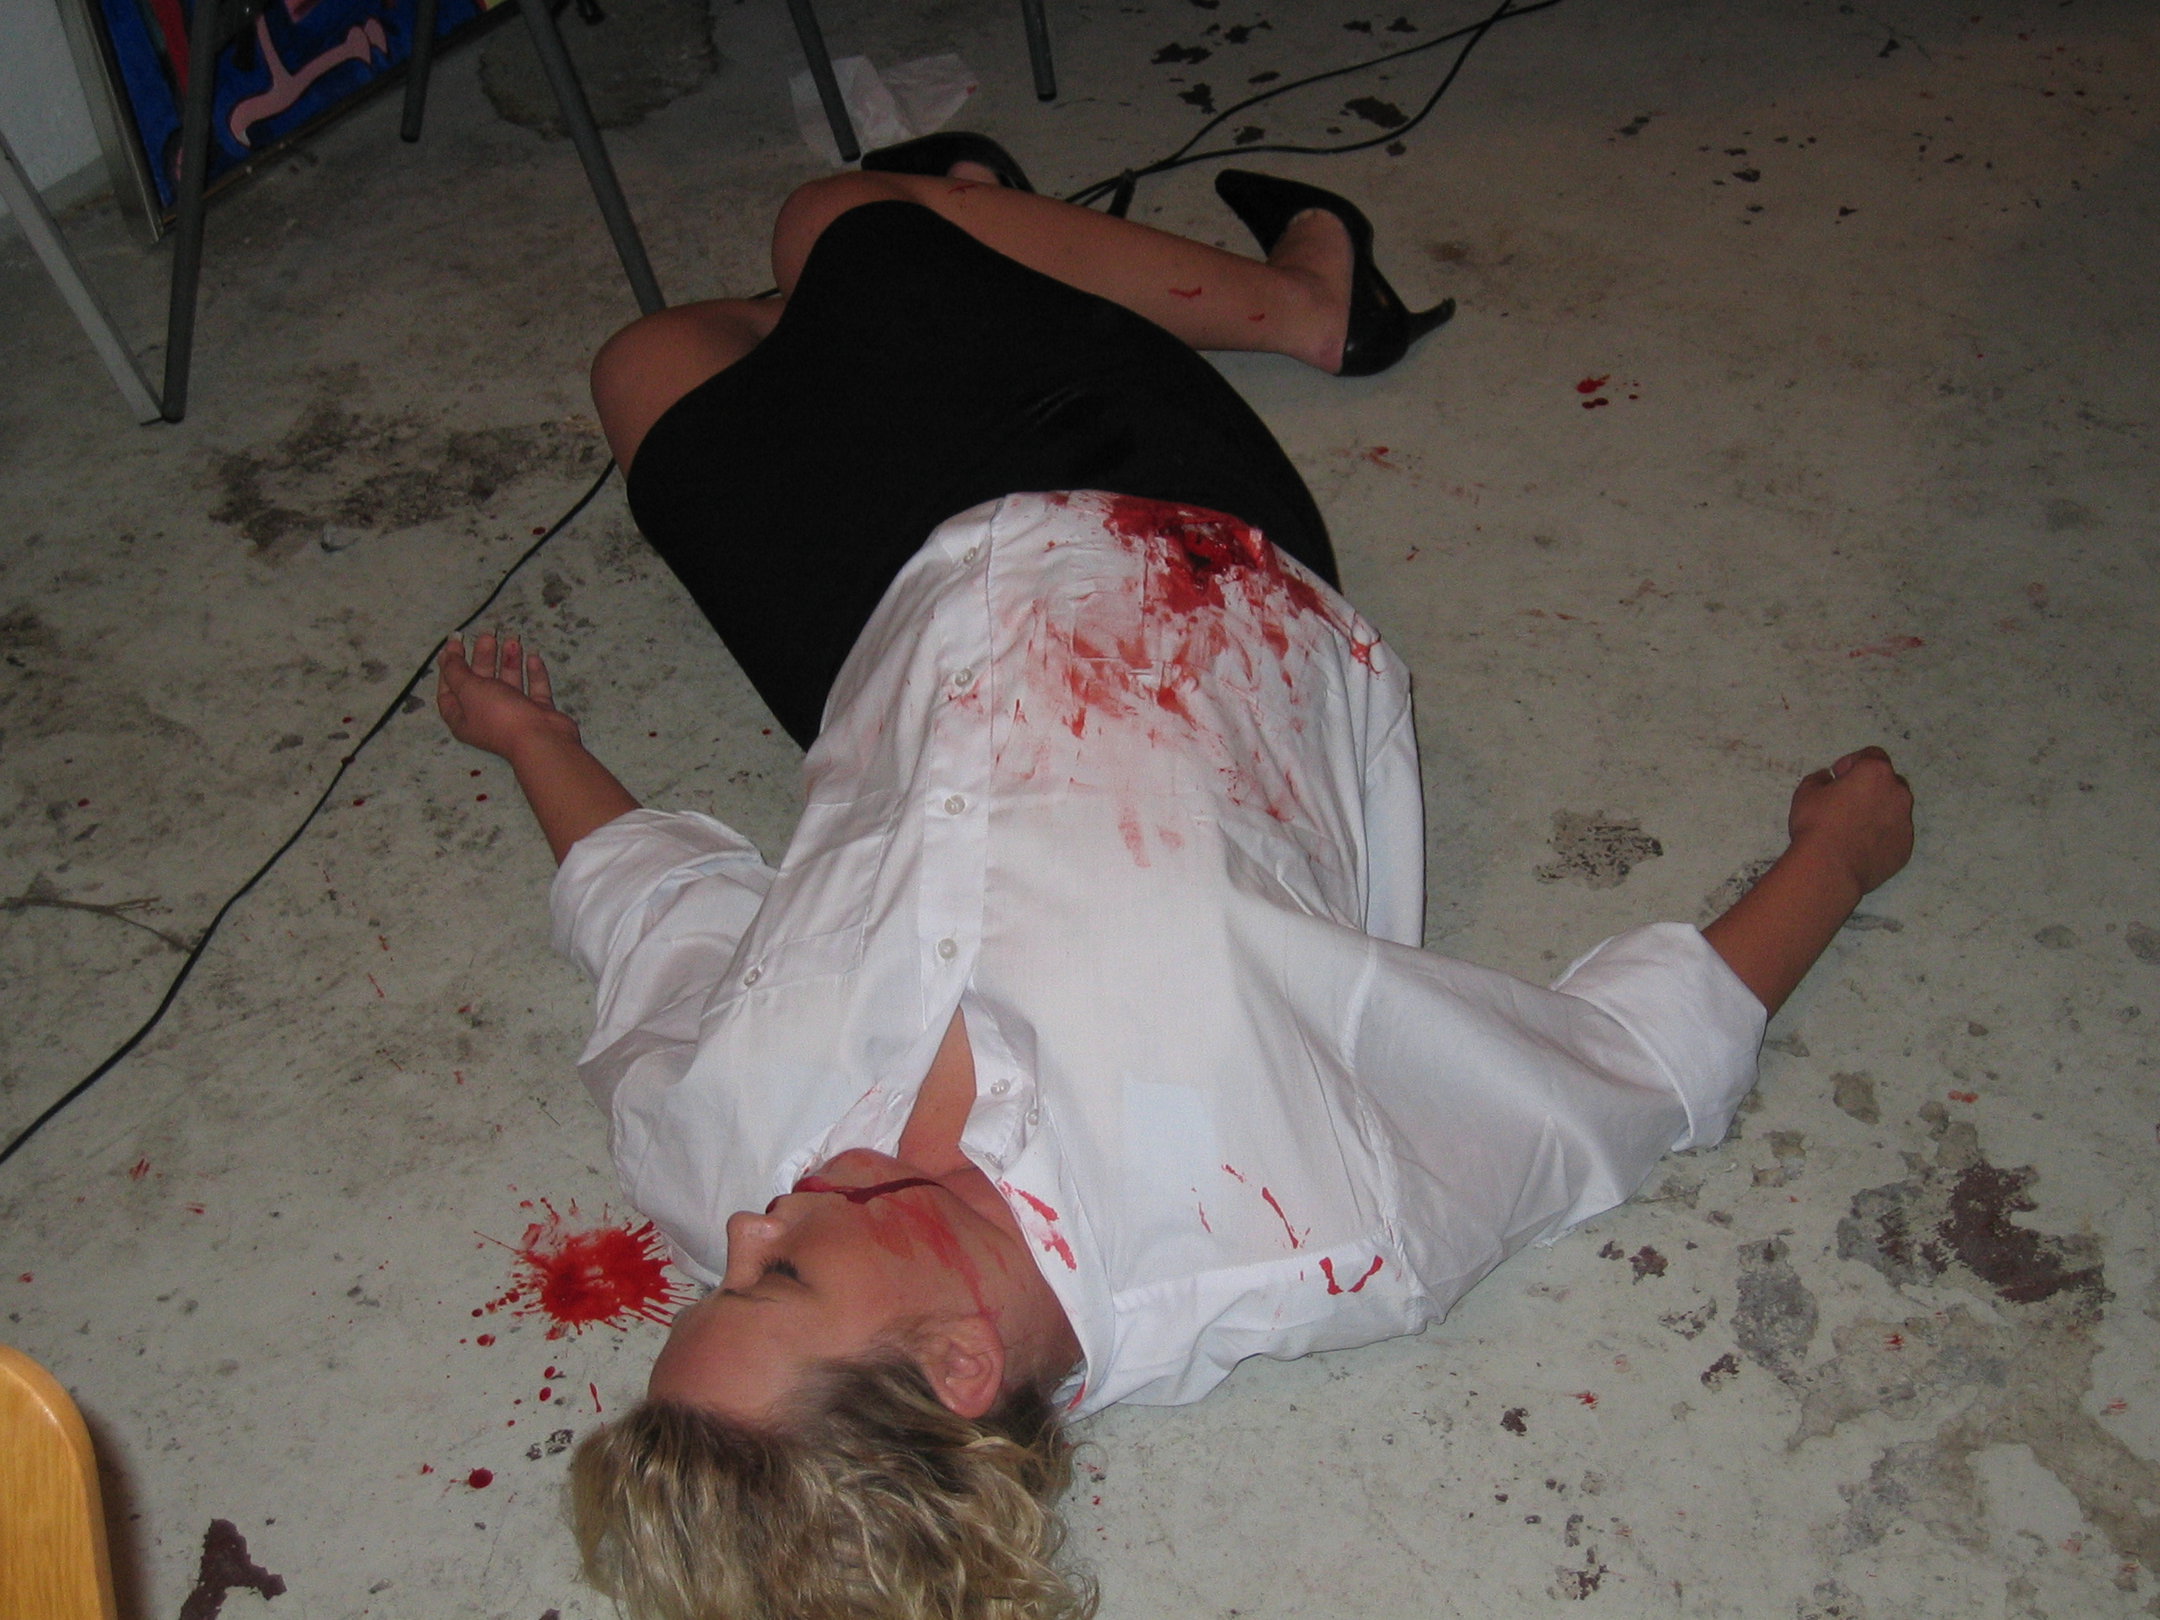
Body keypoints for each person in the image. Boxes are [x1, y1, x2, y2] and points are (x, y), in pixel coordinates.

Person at [434, 139, 1915, 1620]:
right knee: (840, 223)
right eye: (778, 1281)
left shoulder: (718, 1163)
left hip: (885, 627)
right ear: (959, 1364)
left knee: (645, 362)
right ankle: (1303, 304)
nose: (741, 1230)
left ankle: (983, 234)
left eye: (718, 1279)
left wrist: (533, 744)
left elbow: (661, 928)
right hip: (1167, 537)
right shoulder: (1305, 1215)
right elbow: (1630, 1076)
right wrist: (1838, 857)